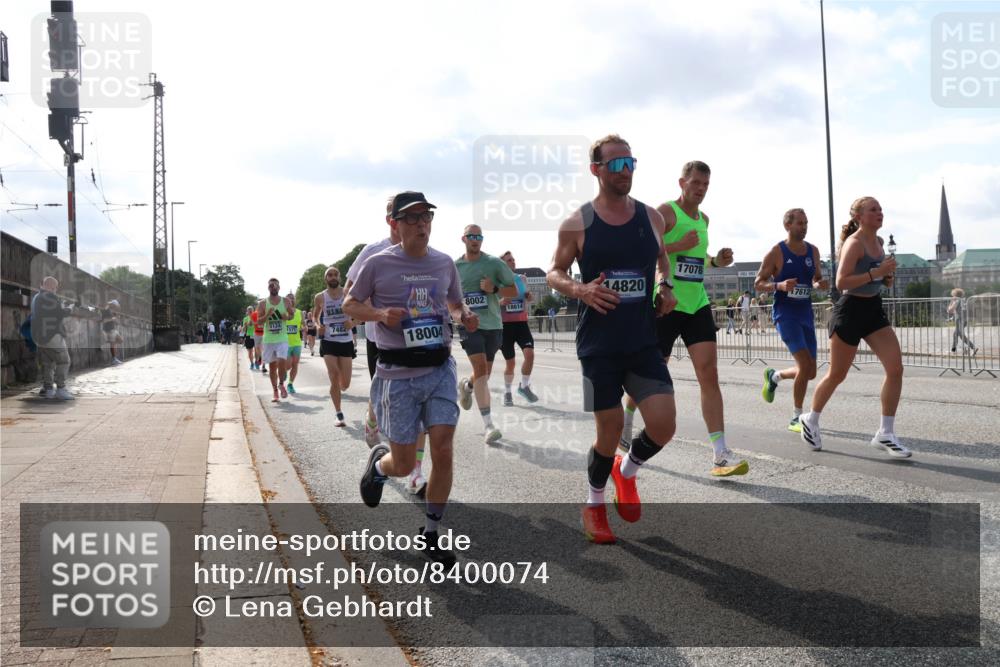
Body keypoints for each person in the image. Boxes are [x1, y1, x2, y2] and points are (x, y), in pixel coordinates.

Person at [547, 134, 678, 544]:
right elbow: (554, 272)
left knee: (664, 424)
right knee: (610, 428)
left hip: (641, 339)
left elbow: (662, 257)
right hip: (598, 345)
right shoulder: (577, 222)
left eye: (631, 163)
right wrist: (581, 290)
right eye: (617, 164)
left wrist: (666, 285)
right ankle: (593, 502)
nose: (626, 171)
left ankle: (627, 471)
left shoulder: (651, 218)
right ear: (597, 170)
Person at [344, 191, 477, 566]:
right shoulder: (377, 263)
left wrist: (464, 313)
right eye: (413, 218)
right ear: (395, 224)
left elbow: (454, 301)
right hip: (397, 375)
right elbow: (349, 306)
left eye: (426, 217)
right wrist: (381, 313)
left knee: (444, 449)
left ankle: (431, 534)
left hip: (438, 368)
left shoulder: (443, 263)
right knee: (403, 465)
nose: (422, 225)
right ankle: (380, 465)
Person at [621, 160, 748, 477]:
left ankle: (720, 454)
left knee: (709, 375)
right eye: (696, 183)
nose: (701, 189)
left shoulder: (705, 219)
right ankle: (626, 417)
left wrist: (716, 261)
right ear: (682, 183)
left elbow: (698, 258)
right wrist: (678, 244)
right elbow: (642, 249)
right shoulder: (666, 212)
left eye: (706, 184)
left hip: (697, 305)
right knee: (654, 372)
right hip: (667, 302)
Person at [800, 197, 911, 458]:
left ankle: (885, 432)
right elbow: (842, 282)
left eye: (881, 209)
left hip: (872, 309)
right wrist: (876, 273)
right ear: (859, 217)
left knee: (895, 368)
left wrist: (886, 277)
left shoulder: (880, 243)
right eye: (873, 210)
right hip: (850, 311)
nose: (879, 213)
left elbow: (878, 279)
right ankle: (811, 419)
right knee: (837, 374)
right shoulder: (855, 243)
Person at [755, 208, 829, 433]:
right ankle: (796, 417)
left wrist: (819, 285)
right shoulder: (776, 252)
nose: (804, 227)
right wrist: (778, 285)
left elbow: (815, 278)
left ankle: (775, 376)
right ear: (787, 226)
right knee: (805, 366)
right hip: (786, 314)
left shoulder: (814, 251)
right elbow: (759, 282)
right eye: (800, 223)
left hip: (805, 313)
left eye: (806, 223)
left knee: (811, 371)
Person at [344, 197, 403, 447]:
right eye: (398, 214)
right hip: (378, 334)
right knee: (381, 389)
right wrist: (374, 312)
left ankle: (411, 460)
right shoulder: (372, 251)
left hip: (412, 333)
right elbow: (349, 291)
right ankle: (372, 420)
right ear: (389, 219)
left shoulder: (421, 251)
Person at [455, 225, 518, 444]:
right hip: (469, 325)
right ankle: (489, 425)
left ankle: (467, 386)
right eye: (471, 236)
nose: (475, 240)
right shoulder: (455, 267)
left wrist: (493, 289)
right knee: (481, 368)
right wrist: (459, 315)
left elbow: (513, 290)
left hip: (493, 325)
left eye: (479, 236)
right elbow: (449, 298)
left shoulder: (494, 263)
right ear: (463, 239)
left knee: (485, 373)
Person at [314, 267, 354, 426]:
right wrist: (318, 326)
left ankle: (337, 388)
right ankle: (339, 413)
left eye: (335, 274)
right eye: (329, 275)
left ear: (339, 277)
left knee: (345, 384)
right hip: (329, 340)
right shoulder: (320, 297)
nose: (332, 277)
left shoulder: (348, 294)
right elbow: (315, 315)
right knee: (334, 374)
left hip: (345, 341)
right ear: (326, 279)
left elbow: (360, 313)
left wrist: (352, 323)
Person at [499, 251, 538, 406]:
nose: (513, 262)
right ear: (502, 264)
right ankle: (508, 392)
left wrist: (529, 297)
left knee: (530, 354)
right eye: (509, 260)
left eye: (513, 259)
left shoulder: (522, 279)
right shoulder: (497, 282)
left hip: (522, 324)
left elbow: (528, 297)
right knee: (511, 363)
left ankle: (524, 386)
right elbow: (491, 303)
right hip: (505, 326)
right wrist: (501, 302)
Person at [30, 276, 75, 400]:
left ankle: (48, 389)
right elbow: (60, 313)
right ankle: (60, 389)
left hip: (39, 337)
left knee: (48, 364)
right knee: (64, 361)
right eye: (55, 288)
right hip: (52, 336)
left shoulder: (36, 297)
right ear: (52, 287)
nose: (56, 290)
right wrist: (69, 308)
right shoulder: (49, 296)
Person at [257, 278, 293, 402]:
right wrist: (267, 315)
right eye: (271, 286)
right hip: (269, 339)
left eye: (275, 285)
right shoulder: (262, 303)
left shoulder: (286, 301)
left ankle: (281, 384)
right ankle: (275, 391)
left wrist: (286, 317)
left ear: (279, 287)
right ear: (268, 288)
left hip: (282, 338)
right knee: (272, 367)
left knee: (282, 362)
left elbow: (292, 314)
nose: (273, 287)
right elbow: (258, 321)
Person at [283, 293, 304, 394]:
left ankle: (290, 384)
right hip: (285, 343)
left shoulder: (300, 312)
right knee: (288, 366)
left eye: (293, 298)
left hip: (296, 343)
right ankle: (284, 372)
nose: (291, 300)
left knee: (295, 364)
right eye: (289, 298)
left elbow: (303, 324)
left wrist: (304, 327)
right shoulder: (283, 312)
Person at [948, 288, 977, 355]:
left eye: (953, 295)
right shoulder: (962, 300)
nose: (952, 297)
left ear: (955, 295)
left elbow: (950, 310)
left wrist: (950, 303)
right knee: (956, 334)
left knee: (960, 335)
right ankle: (953, 350)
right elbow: (959, 310)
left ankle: (973, 348)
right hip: (963, 320)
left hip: (960, 320)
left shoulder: (957, 300)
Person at [101, 299, 124, 365]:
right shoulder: (106, 310)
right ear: (112, 305)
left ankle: (107, 343)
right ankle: (114, 359)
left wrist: (115, 318)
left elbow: (112, 319)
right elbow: (104, 321)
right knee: (113, 344)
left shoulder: (110, 311)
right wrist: (113, 319)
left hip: (113, 330)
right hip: (109, 330)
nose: (116, 307)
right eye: (115, 306)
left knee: (120, 340)